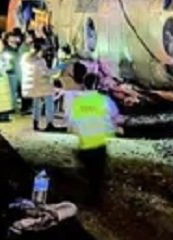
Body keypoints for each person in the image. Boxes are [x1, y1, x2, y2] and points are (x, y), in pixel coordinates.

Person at [67, 73, 121, 202]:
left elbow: (71, 122)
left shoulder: (77, 102)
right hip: (99, 142)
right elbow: (116, 116)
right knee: (97, 172)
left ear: (84, 85)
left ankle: (89, 192)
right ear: (97, 85)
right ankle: (95, 195)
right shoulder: (104, 100)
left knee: (89, 169)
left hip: (84, 142)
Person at [24, 40, 56, 131]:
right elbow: (45, 73)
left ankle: (35, 123)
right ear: (39, 50)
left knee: (36, 104)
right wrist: (58, 69)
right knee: (49, 103)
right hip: (42, 84)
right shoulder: (40, 61)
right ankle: (49, 123)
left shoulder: (26, 59)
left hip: (32, 85)